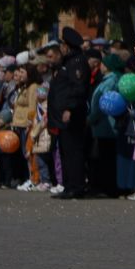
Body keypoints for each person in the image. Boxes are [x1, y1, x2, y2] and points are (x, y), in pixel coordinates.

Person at [44, 27, 94, 199]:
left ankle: (76, 186)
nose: (62, 48)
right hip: (62, 117)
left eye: (63, 45)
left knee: (74, 152)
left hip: (73, 115)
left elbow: (77, 89)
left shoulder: (77, 63)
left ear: (68, 46)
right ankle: (68, 185)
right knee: (65, 151)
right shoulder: (68, 63)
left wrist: (69, 108)